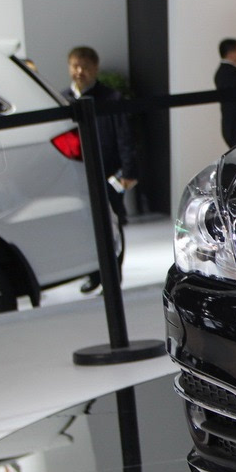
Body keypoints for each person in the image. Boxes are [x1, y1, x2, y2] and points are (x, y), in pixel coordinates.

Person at [64, 46, 137, 294]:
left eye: (85, 67)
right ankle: (94, 273)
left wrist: (129, 171)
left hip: (109, 172)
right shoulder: (62, 99)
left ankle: (113, 278)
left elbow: (125, 137)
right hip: (75, 174)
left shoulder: (112, 98)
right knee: (84, 226)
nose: (80, 71)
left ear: (95, 68)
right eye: (75, 66)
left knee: (112, 225)